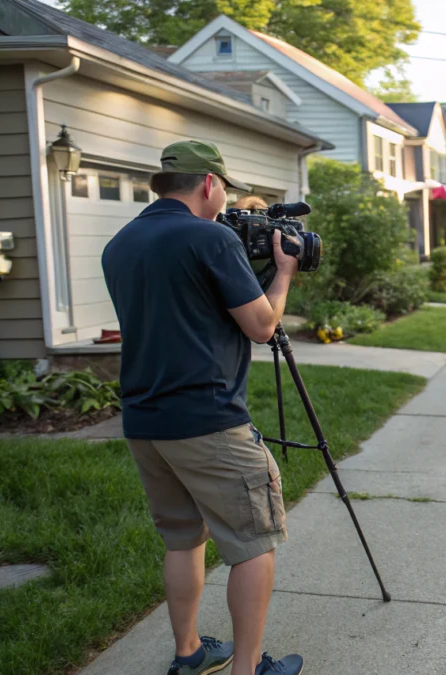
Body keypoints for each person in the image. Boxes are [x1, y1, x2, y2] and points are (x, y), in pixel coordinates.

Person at [102, 140, 303, 675]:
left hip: (145, 420)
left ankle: (189, 653)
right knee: (254, 542)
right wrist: (283, 272)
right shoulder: (209, 237)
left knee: (182, 538)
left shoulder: (121, 242)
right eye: (224, 190)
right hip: (208, 420)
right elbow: (262, 326)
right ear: (209, 183)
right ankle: (247, 668)